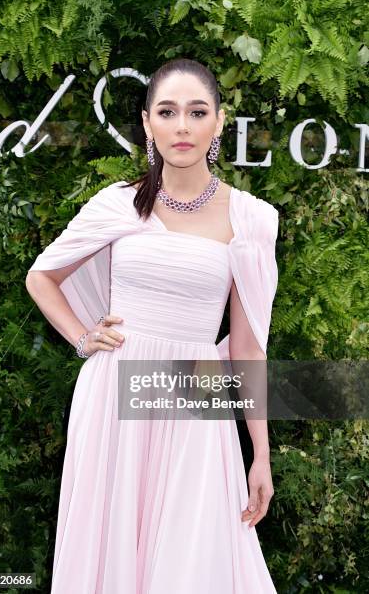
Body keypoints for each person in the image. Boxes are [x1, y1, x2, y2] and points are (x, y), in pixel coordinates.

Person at [26, 57, 279, 593]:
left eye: (196, 112)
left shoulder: (251, 220)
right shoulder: (117, 206)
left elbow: (249, 348)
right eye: (167, 112)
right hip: (113, 400)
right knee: (110, 550)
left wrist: (260, 454)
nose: (181, 126)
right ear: (146, 124)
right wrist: (82, 337)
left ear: (218, 122)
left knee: (189, 561)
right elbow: (41, 277)